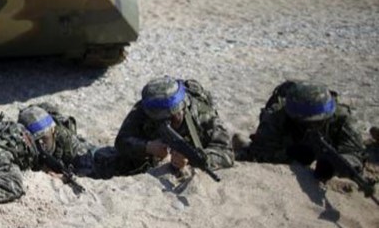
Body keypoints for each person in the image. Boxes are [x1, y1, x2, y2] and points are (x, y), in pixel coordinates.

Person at [237, 81, 366, 182]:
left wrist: (335, 166)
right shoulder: (277, 117)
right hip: (288, 147)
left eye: (318, 122)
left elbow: (355, 153)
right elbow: (260, 152)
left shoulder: (341, 118)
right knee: (245, 151)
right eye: (306, 123)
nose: (313, 127)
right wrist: (288, 154)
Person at [115, 77, 235, 176]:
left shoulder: (203, 114)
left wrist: (191, 160)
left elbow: (226, 153)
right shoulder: (145, 108)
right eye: (159, 119)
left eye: (172, 117)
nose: (167, 123)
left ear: (183, 107)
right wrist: (148, 147)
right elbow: (121, 141)